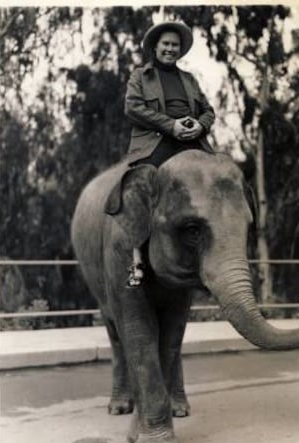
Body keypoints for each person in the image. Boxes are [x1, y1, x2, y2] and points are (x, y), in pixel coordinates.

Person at [123, 21, 215, 287]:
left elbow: (209, 111)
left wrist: (201, 125)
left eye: (175, 45)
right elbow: (132, 108)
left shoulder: (189, 79)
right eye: (166, 44)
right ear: (155, 47)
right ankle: (137, 257)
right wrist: (170, 125)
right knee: (140, 185)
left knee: (219, 183)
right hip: (155, 142)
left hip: (191, 141)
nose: (170, 49)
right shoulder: (140, 76)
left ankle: (212, 255)